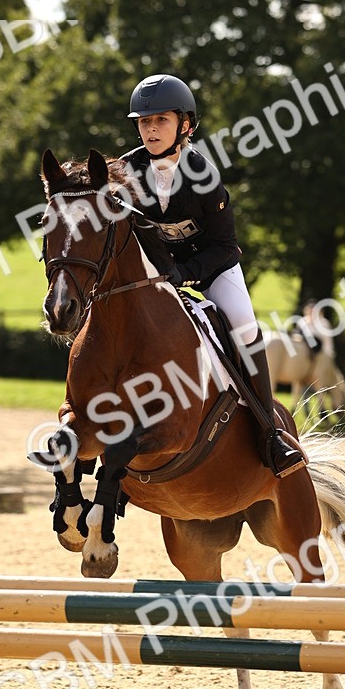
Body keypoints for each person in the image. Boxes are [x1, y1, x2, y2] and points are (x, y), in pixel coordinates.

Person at [120, 72, 305, 478]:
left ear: (184, 125)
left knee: (243, 324)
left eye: (161, 121)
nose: (151, 129)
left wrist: (183, 274)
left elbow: (226, 247)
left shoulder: (204, 176)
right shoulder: (126, 172)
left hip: (212, 267)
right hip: (157, 272)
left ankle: (270, 432)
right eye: (144, 122)